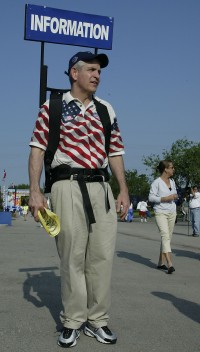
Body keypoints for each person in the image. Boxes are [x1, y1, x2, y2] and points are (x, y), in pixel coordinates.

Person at [28, 51, 129, 348]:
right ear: (75, 73)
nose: (98, 75)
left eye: (100, 71)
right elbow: (36, 150)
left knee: (102, 257)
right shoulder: (52, 107)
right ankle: (73, 321)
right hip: (66, 184)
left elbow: (115, 152)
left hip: (101, 187)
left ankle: (97, 320)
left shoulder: (106, 109)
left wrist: (122, 188)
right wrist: (35, 190)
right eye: (92, 70)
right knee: (72, 255)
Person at [148, 160, 178, 274]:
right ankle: (170, 264)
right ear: (165, 169)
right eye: (172, 167)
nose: (173, 169)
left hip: (172, 212)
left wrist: (174, 196)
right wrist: (164, 199)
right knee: (165, 236)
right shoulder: (157, 182)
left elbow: (174, 193)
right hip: (160, 212)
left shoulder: (172, 181)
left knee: (167, 238)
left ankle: (161, 263)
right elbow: (151, 197)